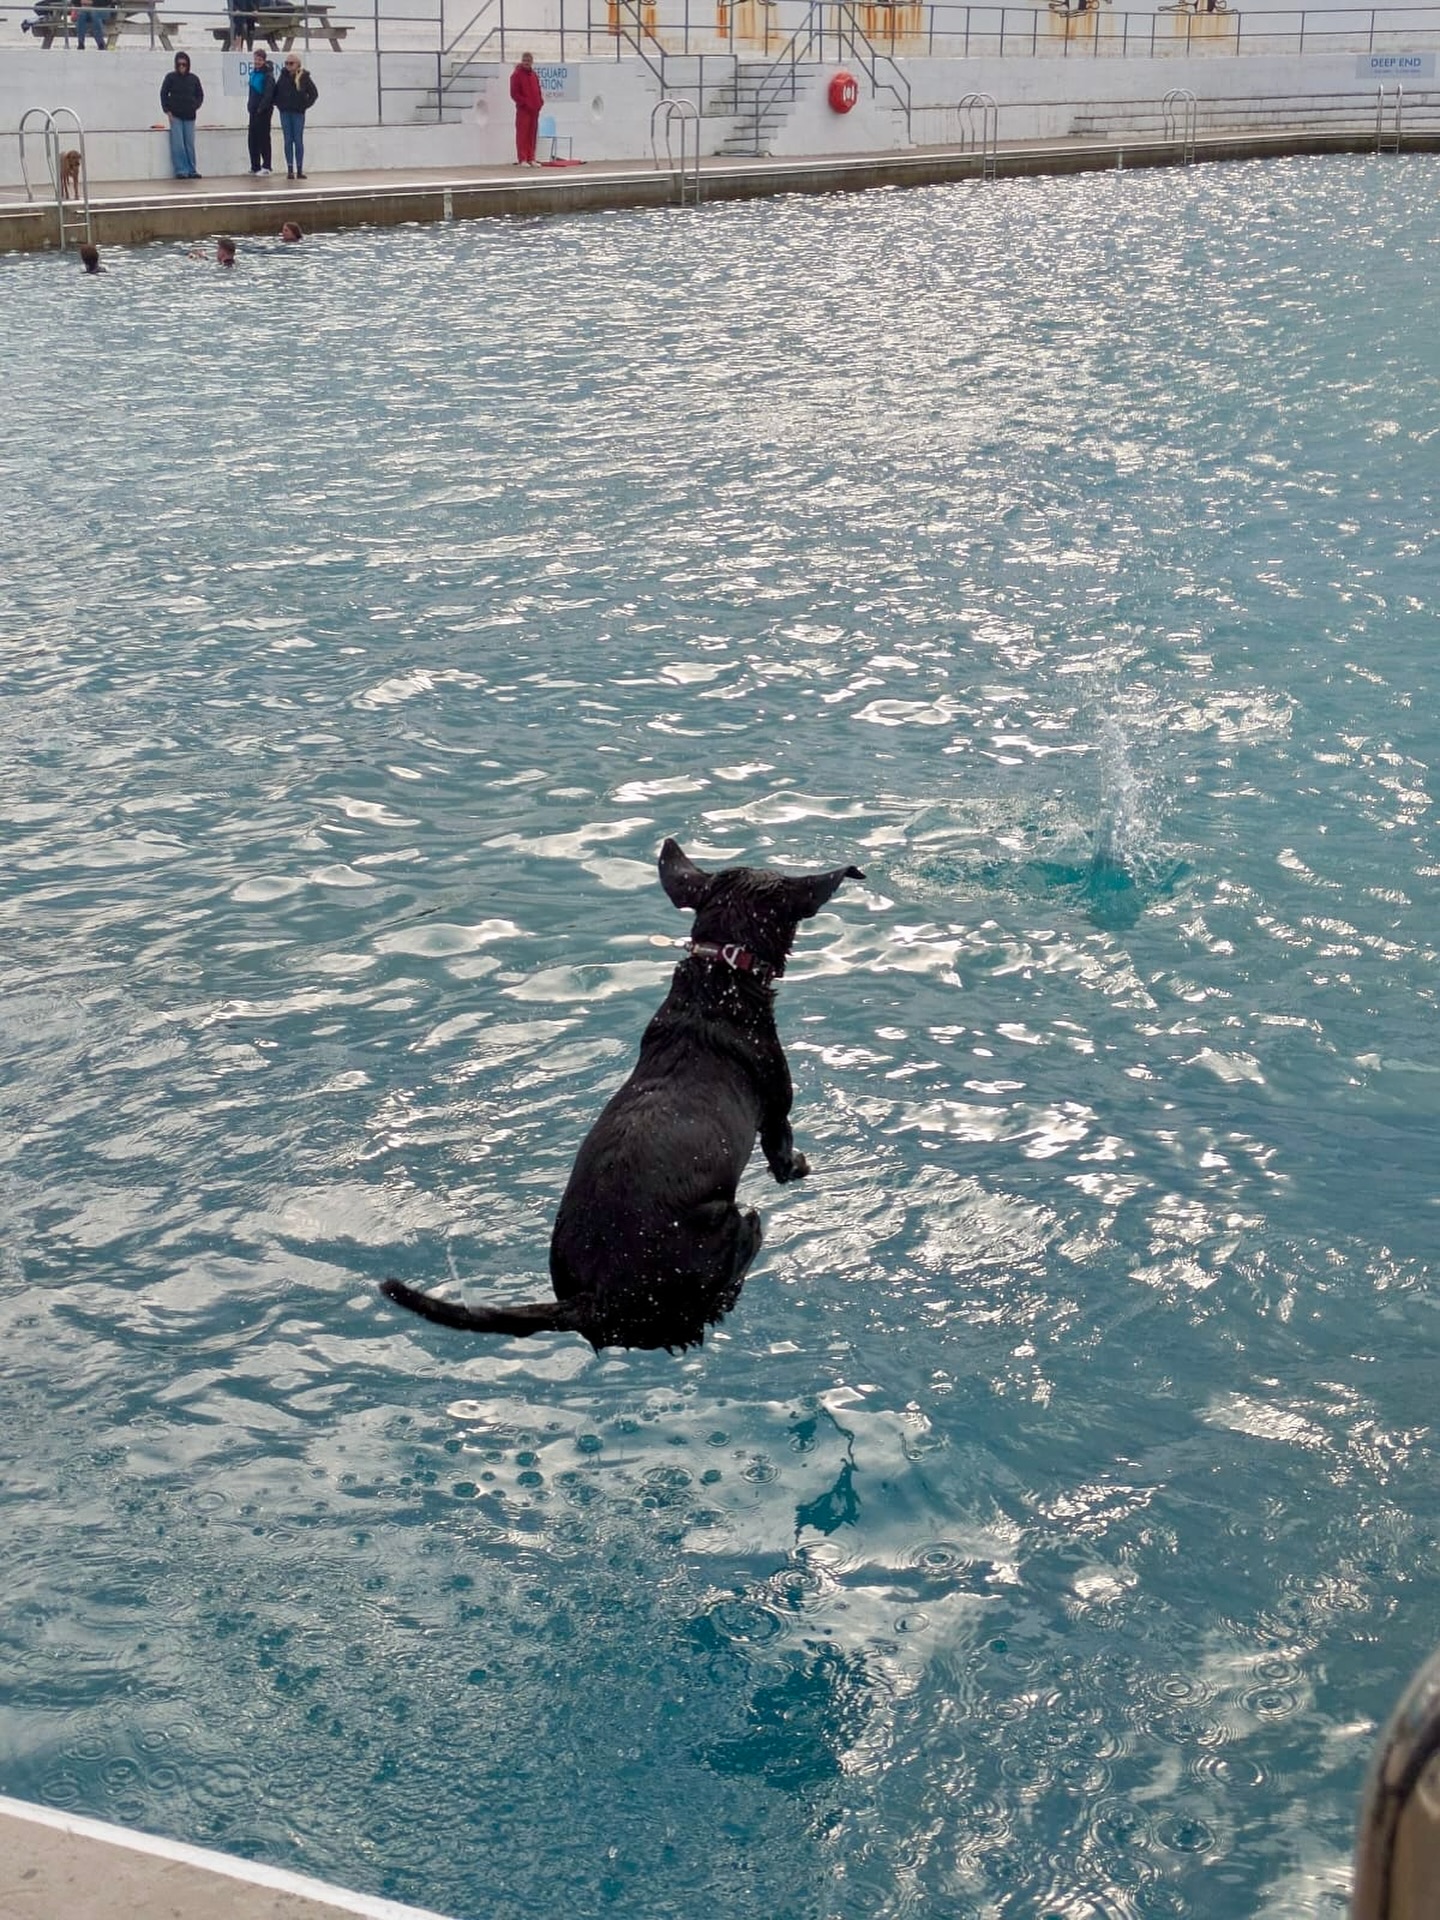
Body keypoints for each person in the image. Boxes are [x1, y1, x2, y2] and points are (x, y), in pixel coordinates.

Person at [160, 52, 204, 180]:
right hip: (176, 116)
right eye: (179, 64)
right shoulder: (170, 78)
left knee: (189, 144)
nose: (182, 67)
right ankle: (181, 170)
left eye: (184, 64)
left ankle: (192, 169)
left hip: (190, 116)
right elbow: (163, 94)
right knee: (178, 144)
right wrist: (167, 111)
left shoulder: (194, 79)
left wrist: (195, 105)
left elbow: (200, 95)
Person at [273, 55, 318, 180]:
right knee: (288, 140)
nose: (288, 66)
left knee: (298, 140)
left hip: (298, 113)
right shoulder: (283, 77)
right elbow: (276, 92)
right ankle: (290, 169)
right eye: (286, 63)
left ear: (298, 64)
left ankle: (299, 169)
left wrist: (304, 105)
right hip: (285, 112)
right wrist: (279, 105)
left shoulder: (304, 77)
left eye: (291, 63)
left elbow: (314, 94)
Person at [509, 51, 544, 168]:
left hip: (534, 110)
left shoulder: (534, 75)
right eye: (524, 61)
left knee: (532, 134)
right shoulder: (516, 75)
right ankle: (522, 158)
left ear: (532, 62)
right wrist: (524, 103)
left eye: (528, 61)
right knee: (522, 135)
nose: (526, 63)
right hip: (524, 110)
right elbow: (514, 93)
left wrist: (540, 102)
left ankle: (531, 157)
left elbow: (538, 90)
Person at [246, 49, 277, 176]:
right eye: (255, 59)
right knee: (252, 139)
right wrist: (249, 106)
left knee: (264, 139)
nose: (257, 62)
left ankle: (267, 166)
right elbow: (251, 92)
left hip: (263, 112)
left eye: (259, 60)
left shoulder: (268, 76)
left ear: (264, 61)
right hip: (253, 111)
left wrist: (261, 108)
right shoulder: (253, 73)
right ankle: (255, 166)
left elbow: (268, 95)